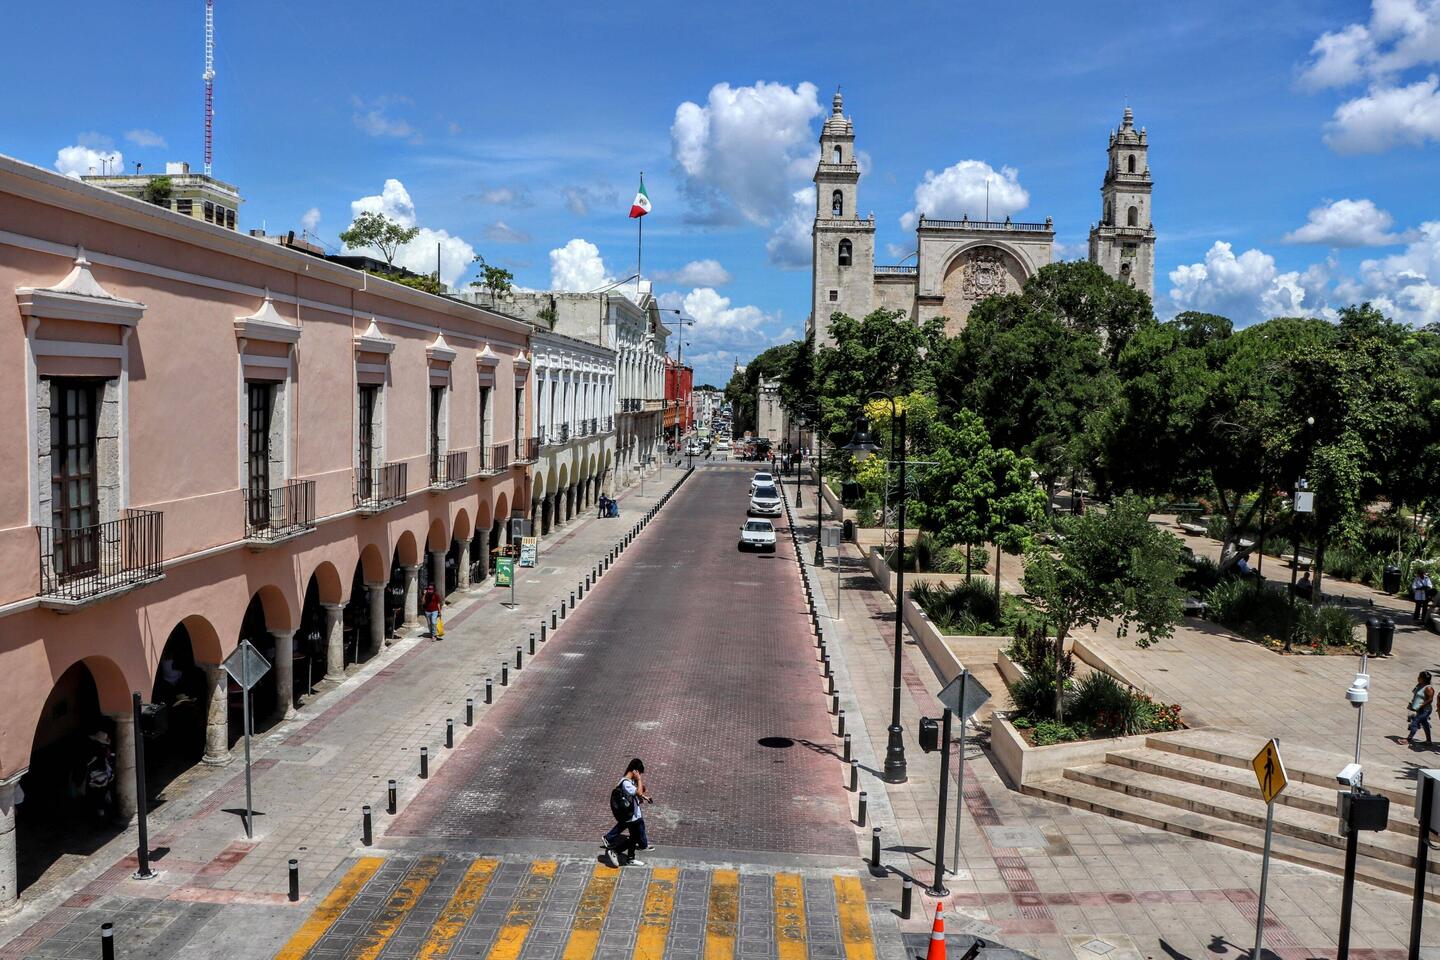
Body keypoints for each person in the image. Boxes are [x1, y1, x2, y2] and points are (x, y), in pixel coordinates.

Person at [601, 758, 653, 866]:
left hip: (634, 815)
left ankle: (630, 858)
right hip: (631, 816)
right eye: (639, 773)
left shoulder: (628, 782)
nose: (639, 775)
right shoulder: (626, 783)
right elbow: (638, 792)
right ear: (635, 771)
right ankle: (615, 851)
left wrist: (645, 797)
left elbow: (637, 794)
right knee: (635, 837)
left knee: (634, 837)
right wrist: (639, 780)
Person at [1410, 671, 1436, 745]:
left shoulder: (1428, 688)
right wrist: (1412, 704)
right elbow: (1415, 694)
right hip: (1419, 709)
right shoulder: (1419, 685)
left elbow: (1430, 700)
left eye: (1419, 677)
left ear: (1424, 679)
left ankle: (1408, 739)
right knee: (1425, 723)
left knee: (1414, 723)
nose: (1418, 678)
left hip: (1425, 710)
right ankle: (1429, 741)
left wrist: (1421, 705)